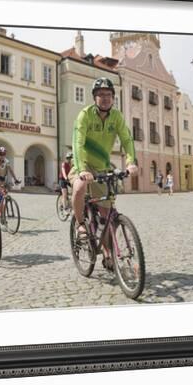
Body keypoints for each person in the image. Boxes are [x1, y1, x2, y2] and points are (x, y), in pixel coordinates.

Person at [69, 77, 138, 269]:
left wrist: (131, 162)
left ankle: (108, 254)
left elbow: (127, 139)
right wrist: (82, 169)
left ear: (113, 98)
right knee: (80, 186)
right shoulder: (85, 115)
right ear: (94, 98)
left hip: (102, 167)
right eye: (100, 95)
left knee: (107, 214)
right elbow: (77, 143)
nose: (105, 98)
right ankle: (81, 223)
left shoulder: (116, 116)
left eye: (108, 95)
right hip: (81, 164)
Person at [0, 147, 21, 214]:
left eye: (4, 154)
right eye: (0, 154)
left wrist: (15, 179)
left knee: (2, 194)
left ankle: (1, 210)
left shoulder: (6, 161)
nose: (2, 156)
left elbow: (10, 170)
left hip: (1, 178)